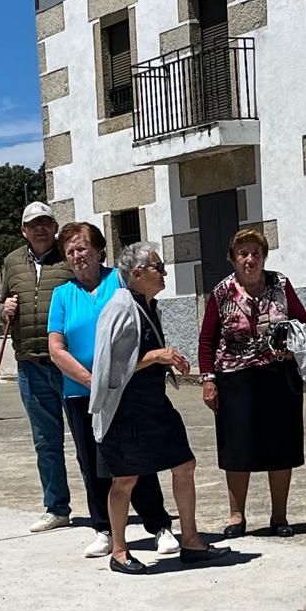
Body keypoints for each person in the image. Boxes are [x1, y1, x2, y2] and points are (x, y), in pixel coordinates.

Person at [47, 222, 180, 558]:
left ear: (99, 250)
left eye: (83, 248)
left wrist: (110, 381)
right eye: (71, 251)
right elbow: (56, 348)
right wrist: (93, 382)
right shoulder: (63, 294)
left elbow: (145, 319)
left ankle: (159, 525)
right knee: (93, 461)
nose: (78, 256)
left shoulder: (119, 281)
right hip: (81, 392)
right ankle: (103, 528)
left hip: (128, 390)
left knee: (139, 456)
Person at [92, 242, 221, 574]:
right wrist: (157, 356)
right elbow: (110, 366)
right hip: (125, 409)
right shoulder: (119, 307)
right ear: (137, 274)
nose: (164, 272)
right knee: (125, 479)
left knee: (184, 464)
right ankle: (119, 551)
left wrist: (165, 357)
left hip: (154, 405)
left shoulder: (148, 305)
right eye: (157, 267)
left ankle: (190, 540)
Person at [197, 228, 306, 538]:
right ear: (233, 258)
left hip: (279, 375)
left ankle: (279, 517)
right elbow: (207, 339)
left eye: (256, 253)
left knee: (281, 446)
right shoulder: (222, 292)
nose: (250, 259)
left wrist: (291, 340)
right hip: (234, 378)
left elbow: (305, 322)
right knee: (237, 448)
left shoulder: (281, 285)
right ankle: (237, 515)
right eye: (243, 253)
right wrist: (208, 380)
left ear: (264, 257)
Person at [0, 201, 74, 534]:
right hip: (30, 365)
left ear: (54, 227)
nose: (40, 228)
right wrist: (4, 309)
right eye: (33, 224)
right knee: (46, 441)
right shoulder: (12, 261)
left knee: (88, 437)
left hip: (70, 363)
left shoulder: (69, 257)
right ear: (23, 230)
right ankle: (57, 508)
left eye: (45, 222)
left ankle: (103, 506)